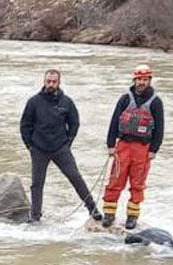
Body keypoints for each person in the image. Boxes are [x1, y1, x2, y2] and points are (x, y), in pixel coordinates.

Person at [19, 69, 102, 224]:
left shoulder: (66, 102)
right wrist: (30, 145)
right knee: (37, 183)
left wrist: (68, 141)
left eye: (54, 82)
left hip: (60, 148)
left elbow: (74, 122)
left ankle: (93, 209)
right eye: (48, 81)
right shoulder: (33, 102)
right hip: (39, 149)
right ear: (44, 82)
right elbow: (25, 125)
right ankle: (35, 216)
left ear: (59, 82)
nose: (51, 84)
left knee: (75, 177)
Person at [101, 63, 165, 230]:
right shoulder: (124, 99)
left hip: (142, 148)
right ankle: (109, 214)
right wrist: (110, 144)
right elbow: (114, 121)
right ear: (134, 80)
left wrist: (154, 149)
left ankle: (132, 217)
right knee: (115, 179)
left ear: (149, 80)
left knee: (137, 183)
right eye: (139, 79)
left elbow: (159, 127)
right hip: (123, 145)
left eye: (145, 79)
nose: (141, 82)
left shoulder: (156, 102)